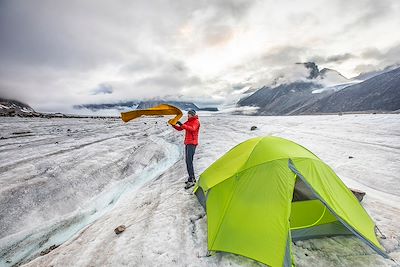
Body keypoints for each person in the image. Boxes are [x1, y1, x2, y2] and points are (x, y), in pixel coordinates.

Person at [172, 109, 200, 189]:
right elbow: (180, 128)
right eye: (188, 114)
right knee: (188, 161)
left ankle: (192, 180)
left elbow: (192, 129)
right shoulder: (188, 121)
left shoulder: (196, 121)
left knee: (189, 162)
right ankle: (191, 178)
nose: (188, 115)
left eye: (189, 114)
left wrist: (181, 124)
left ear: (193, 115)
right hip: (188, 143)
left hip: (192, 143)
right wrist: (173, 124)